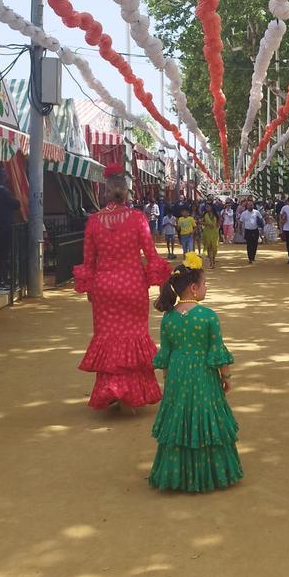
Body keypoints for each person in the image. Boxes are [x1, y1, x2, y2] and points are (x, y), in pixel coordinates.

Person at [75, 166, 173, 411]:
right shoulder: (138, 219)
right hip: (132, 284)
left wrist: (89, 287)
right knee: (134, 335)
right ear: (126, 192)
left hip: (105, 287)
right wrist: (162, 283)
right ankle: (134, 392)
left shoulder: (94, 222)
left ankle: (112, 390)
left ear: (105, 192)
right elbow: (150, 255)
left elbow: (88, 261)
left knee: (108, 337)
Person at [150, 254, 241, 492]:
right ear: (193, 288)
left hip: (178, 373)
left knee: (179, 419)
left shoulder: (168, 317)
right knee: (206, 417)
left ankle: (176, 475)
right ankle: (212, 473)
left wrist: (167, 379)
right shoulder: (208, 316)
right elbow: (217, 350)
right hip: (203, 373)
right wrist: (226, 377)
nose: (206, 287)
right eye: (204, 283)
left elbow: (166, 354)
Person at [0, 168, 22, 291]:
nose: (6, 176)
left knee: (2, 254)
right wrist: (18, 200)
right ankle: (0, 281)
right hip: (4, 225)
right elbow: (15, 204)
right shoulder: (1, 190)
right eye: (5, 174)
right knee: (3, 254)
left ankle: (1, 279)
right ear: (2, 176)